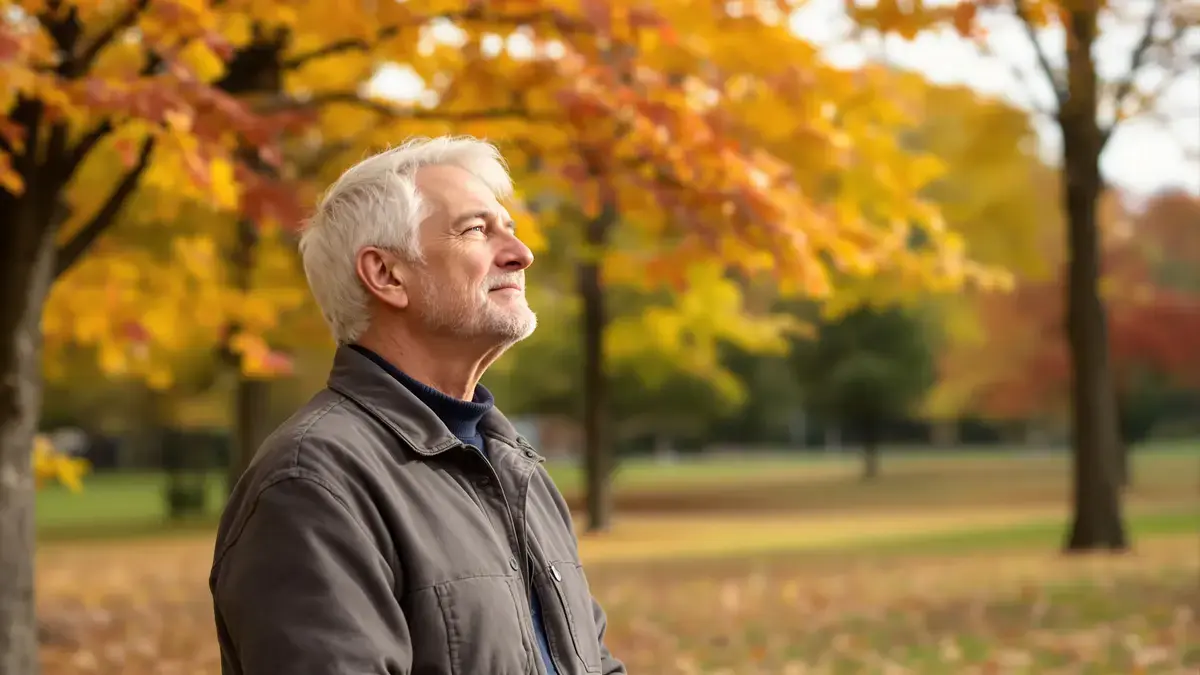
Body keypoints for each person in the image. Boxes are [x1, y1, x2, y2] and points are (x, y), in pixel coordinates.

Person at [208, 136, 626, 675]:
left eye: (511, 230)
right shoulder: (312, 483)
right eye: (477, 230)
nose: (521, 254)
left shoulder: (514, 466)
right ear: (386, 275)